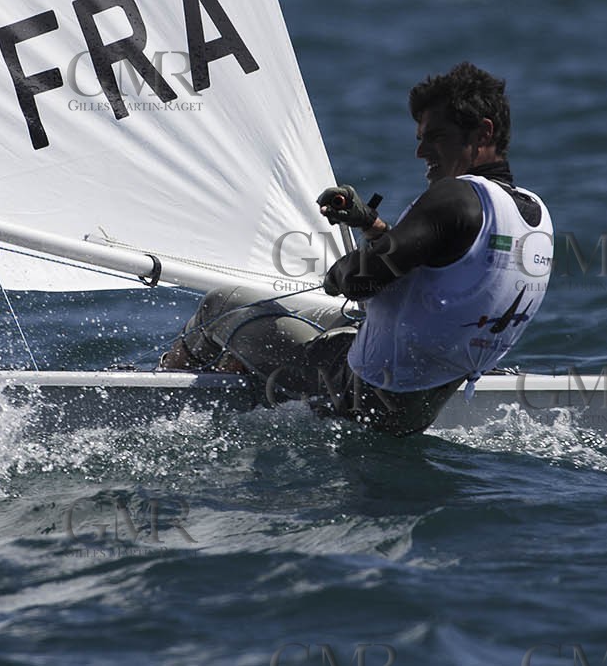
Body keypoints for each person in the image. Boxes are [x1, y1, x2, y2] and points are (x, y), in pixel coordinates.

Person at [158, 62, 553, 436]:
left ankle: (159, 400)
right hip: (424, 401)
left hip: (360, 396)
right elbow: (440, 280)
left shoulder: (455, 197)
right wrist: (371, 226)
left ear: (483, 133)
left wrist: (341, 272)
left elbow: (362, 281)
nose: (421, 153)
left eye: (436, 137)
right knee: (319, 324)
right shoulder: (531, 214)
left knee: (223, 305)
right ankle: (239, 371)